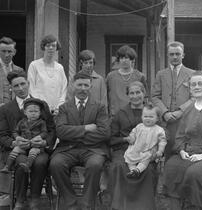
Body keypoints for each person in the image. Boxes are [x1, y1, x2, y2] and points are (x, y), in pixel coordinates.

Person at [50, 71, 110, 210]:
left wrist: (74, 133)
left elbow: (104, 133)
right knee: (56, 164)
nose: (83, 88)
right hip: (68, 149)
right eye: (79, 85)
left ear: (90, 87)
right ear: (73, 86)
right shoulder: (64, 108)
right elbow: (61, 132)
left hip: (93, 150)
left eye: (86, 85)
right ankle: (71, 203)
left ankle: (86, 204)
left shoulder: (100, 107)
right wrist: (86, 128)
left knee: (95, 165)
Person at [0, 70, 56, 210]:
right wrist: (14, 142)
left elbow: (51, 129)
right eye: (16, 85)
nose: (20, 88)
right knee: (21, 162)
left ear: (28, 83)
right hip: (16, 149)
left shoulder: (41, 105)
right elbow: (2, 134)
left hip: (38, 147)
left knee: (40, 162)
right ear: (11, 88)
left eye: (23, 84)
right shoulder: (5, 109)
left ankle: (35, 197)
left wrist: (45, 142)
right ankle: (20, 198)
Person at [163, 71, 202, 210]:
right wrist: (182, 150)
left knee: (195, 173)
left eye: (200, 83)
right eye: (193, 85)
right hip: (189, 152)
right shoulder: (189, 109)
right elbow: (181, 135)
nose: (196, 87)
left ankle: (198, 206)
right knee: (171, 167)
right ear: (190, 89)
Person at [108, 81, 157, 210]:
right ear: (128, 95)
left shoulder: (152, 111)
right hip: (124, 150)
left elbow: (163, 132)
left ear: (144, 93)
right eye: (132, 93)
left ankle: (144, 206)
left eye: (138, 92)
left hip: (146, 150)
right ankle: (120, 206)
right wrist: (125, 139)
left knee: (149, 169)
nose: (135, 96)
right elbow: (111, 138)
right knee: (118, 166)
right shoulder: (120, 113)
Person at [151, 41, 194, 159]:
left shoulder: (191, 74)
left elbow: (194, 97)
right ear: (168, 55)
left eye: (177, 54)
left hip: (184, 120)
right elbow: (155, 96)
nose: (174, 57)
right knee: (166, 151)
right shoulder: (161, 74)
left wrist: (181, 111)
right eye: (171, 54)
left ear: (183, 55)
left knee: (183, 153)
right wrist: (164, 112)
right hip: (166, 121)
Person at [1, 98, 47, 173]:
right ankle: (7, 166)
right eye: (30, 111)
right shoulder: (22, 122)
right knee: (15, 150)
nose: (33, 113)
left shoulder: (41, 123)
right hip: (24, 144)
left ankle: (28, 165)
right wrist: (18, 138)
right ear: (25, 112)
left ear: (40, 113)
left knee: (33, 152)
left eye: (36, 111)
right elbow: (15, 131)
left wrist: (39, 137)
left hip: (35, 145)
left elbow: (44, 132)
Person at [27, 34, 67, 114]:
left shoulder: (60, 68)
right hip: (40, 110)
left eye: (54, 45)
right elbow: (31, 88)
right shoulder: (34, 65)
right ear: (43, 47)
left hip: (57, 111)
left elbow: (64, 89)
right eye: (48, 45)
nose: (51, 48)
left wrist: (59, 107)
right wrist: (42, 106)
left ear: (57, 48)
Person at [124, 103, 166, 178]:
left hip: (149, 150)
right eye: (145, 116)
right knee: (128, 157)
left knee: (147, 158)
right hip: (137, 148)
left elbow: (162, 141)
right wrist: (131, 138)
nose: (148, 118)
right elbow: (133, 133)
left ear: (157, 118)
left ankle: (138, 170)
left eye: (151, 117)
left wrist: (160, 150)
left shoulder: (159, 130)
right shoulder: (139, 126)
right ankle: (133, 171)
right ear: (142, 117)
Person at [106, 45, 148, 117]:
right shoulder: (110, 76)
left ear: (132, 60)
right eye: (121, 58)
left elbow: (145, 97)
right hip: (115, 116)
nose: (124, 60)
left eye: (126, 58)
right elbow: (106, 97)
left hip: (135, 115)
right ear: (118, 60)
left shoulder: (140, 76)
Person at [0, 36, 23, 106]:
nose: (6, 55)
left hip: (14, 111)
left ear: (14, 52)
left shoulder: (19, 70)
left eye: (9, 51)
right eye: (3, 51)